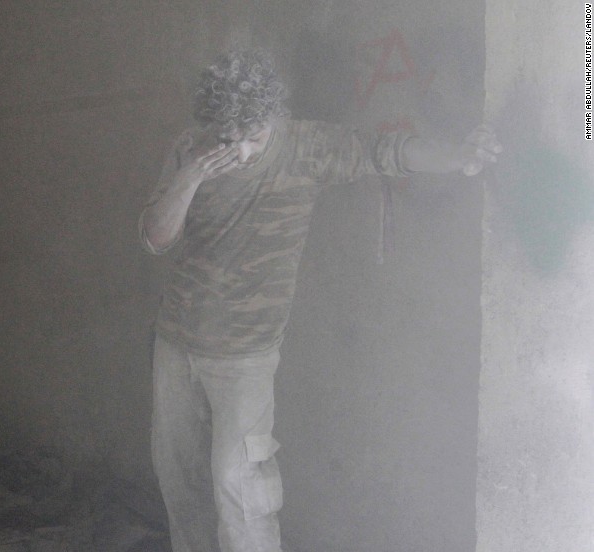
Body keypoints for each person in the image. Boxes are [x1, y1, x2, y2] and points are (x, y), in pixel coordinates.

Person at [138, 49, 501, 552]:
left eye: (253, 136)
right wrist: (192, 175)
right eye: (227, 138)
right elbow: (156, 237)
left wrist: (458, 157)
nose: (240, 151)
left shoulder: (308, 146)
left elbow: (386, 151)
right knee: (181, 484)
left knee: (242, 491)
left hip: (245, 356)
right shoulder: (191, 151)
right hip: (176, 343)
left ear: (275, 116)